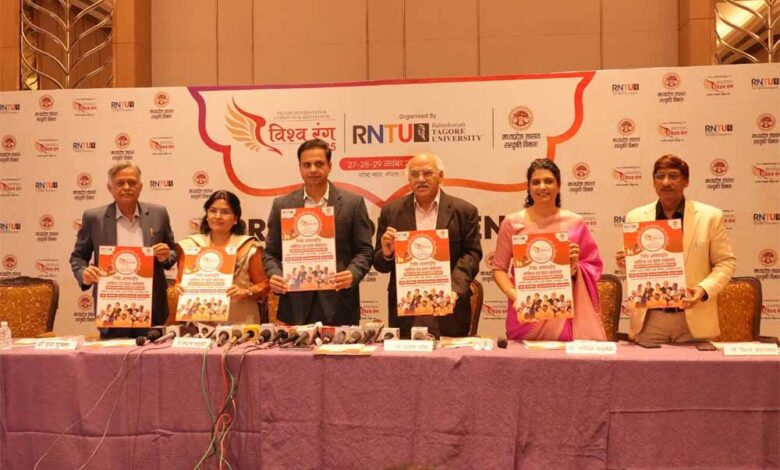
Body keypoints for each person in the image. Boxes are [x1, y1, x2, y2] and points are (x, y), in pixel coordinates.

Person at [616, 155, 736, 343]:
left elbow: (726, 263)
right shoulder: (636, 217)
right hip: (649, 319)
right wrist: (626, 262)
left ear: (686, 181)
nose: (666, 182)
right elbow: (635, 269)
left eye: (673, 176)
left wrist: (703, 290)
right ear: (653, 182)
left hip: (694, 317)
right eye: (660, 176)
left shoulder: (710, 216)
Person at [491, 159, 606, 341]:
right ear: (528, 188)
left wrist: (574, 268)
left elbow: (592, 266)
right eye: (536, 182)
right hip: (525, 313)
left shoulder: (575, 223)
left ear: (559, 186)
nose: (542, 187)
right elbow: (499, 268)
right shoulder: (512, 223)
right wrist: (515, 295)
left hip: (563, 312)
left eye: (549, 181)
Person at [264, 139, 374, 326]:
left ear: (329, 166)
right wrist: (275, 274)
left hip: (340, 303)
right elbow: (271, 253)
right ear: (299, 168)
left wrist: (353, 273)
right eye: (307, 165)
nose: (313, 169)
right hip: (295, 305)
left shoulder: (353, 203)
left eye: (319, 164)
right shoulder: (282, 205)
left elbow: (365, 250)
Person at [374, 153, 482, 338]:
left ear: (441, 176)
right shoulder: (391, 212)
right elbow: (380, 265)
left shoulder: (464, 211)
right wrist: (386, 253)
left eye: (427, 173)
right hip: (406, 308)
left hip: (449, 307)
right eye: (414, 174)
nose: (421, 179)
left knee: (449, 355)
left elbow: (472, 254)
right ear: (409, 180)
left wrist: (454, 289)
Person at [69, 162, 176, 337]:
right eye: (120, 183)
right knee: (114, 354)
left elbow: (172, 251)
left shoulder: (159, 213)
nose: (126, 187)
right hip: (111, 307)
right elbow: (78, 257)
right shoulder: (94, 218)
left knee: (153, 354)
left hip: (151, 307)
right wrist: (84, 274)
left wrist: (165, 257)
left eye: (132, 182)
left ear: (140, 186)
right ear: (110, 187)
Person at [176, 190, 269, 324]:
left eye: (225, 212)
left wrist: (245, 292)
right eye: (213, 211)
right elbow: (179, 282)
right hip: (199, 324)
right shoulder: (191, 246)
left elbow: (264, 285)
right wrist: (179, 287)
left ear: (235, 219)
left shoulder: (249, 247)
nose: (217, 216)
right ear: (207, 215)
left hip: (241, 322)